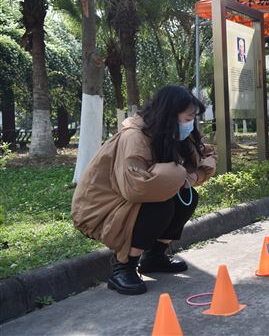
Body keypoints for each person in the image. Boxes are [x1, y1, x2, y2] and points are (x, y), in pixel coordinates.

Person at [72, 85, 216, 295]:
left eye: (193, 118)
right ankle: (124, 267)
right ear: (169, 115)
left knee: (188, 197)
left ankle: (155, 257)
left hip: (135, 199)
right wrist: (177, 175)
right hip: (102, 208)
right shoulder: (134, 137)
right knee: (162, 205)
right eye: (188, 118)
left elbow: (206, 156)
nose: (191, 124)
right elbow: (136, 187)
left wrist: (193, 176)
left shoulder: (173, 133)